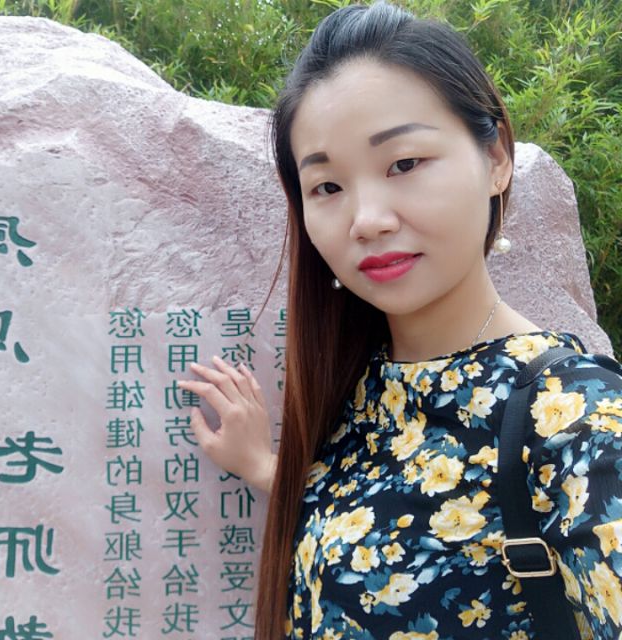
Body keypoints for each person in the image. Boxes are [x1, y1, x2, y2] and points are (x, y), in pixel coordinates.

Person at [176, 2, 622, 638]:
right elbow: (389, 513)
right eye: (328, 187)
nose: (367, 220)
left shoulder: (581, 426)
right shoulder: (362, 387)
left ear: (496, 157)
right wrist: (267, 470)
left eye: (404, 164)